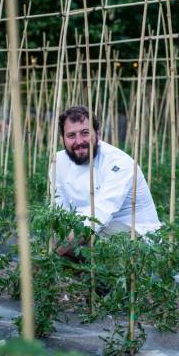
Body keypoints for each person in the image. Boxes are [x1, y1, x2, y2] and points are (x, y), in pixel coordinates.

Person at [53, 106, 161, 256]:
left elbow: (98, 216)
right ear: (63, 138)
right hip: (89, 231)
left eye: (85, 133)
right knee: (51, 231)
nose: (79, 141)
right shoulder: (58, 162)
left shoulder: (119, 163)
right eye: (71, 135)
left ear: (97, 133)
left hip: (137, 238)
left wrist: (54, 255)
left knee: (95, 239)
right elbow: (60, 211)